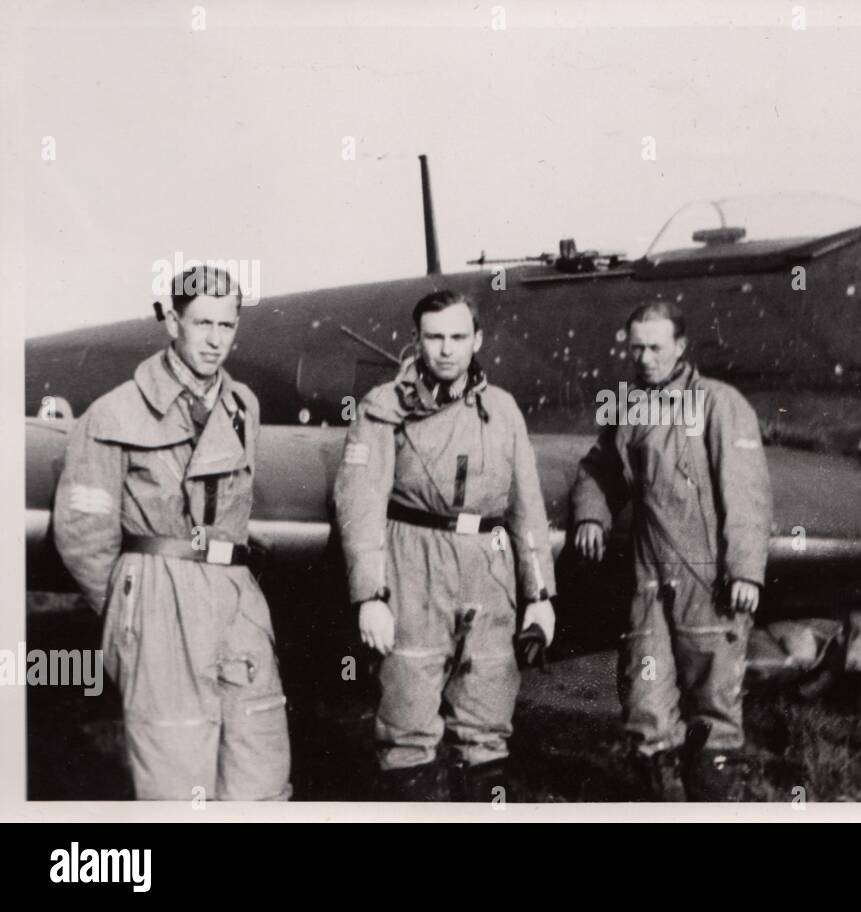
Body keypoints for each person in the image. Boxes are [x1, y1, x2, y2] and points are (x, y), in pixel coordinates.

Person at [53, 265, 291, 801]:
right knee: (176, 775)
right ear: (171, 321)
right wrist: (131, 609)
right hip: (158, 593)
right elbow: (82, 534)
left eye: (226, 326)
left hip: (234, 595)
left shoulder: (242, 407)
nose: (214, 340)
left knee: (260, 762)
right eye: (201, 322)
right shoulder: (113, 413)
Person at [333, 290, 555, 802]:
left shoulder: (501, 411)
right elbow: (361, 504)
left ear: (476, 340)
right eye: (435, 337)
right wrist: (370, 595)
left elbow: (527, 508)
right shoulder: (383, 407)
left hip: (487, 570)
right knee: (408, 723)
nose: (447, 350)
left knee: (486, 721)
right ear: (417, 341)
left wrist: (540, 596)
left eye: (458, 337)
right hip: (414, 563)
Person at [570, 301, 772, 800]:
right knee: (645, 707)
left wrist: (745, 570)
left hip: (709, 585)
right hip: (649, 586)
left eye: (655, 348)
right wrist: (592, 514)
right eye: (636, 347)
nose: (644, 358)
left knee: (714, 713)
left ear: (680, 347)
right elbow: (599, 469)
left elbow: (747, 495)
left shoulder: (720, 404)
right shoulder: (628, 408)